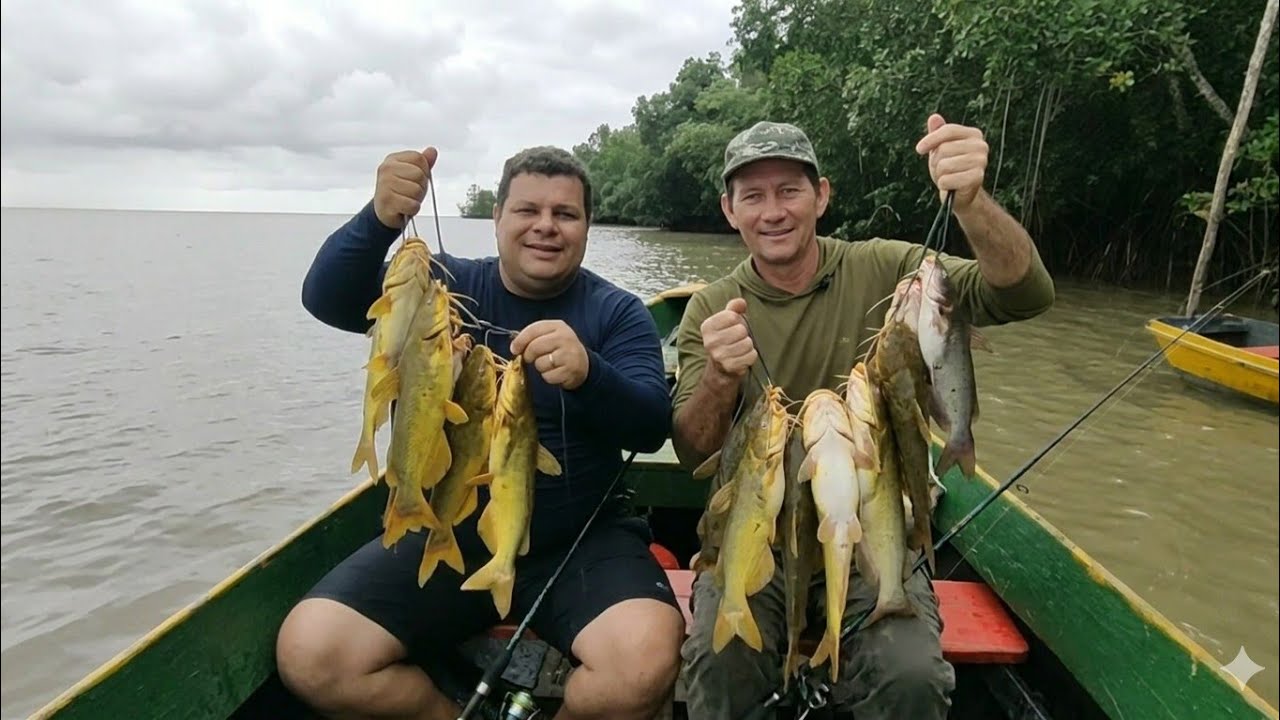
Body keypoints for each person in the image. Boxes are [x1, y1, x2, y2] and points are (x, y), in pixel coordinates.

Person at [277, 144, 686, 720]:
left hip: (579, 541)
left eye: (565, 214)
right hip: (446, 529)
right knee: (311, 653)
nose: (546, 226)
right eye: (527, 211)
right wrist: (378, 220)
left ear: (586, 227)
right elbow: (328, 299)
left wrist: (591, 375)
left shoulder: (617, 313)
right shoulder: (439, 289)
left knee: (644, 665)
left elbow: (649, 426)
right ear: (496, 219)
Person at [671, 117, 1056, 719]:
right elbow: (695, 452)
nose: (773, 211)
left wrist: (973, 204)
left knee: (912, 677)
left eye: (789, 190)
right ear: (729, 210)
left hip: (878, 515)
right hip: (759, 533)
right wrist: (721, 377)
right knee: (721, 666)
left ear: (821, 195)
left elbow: (1024, 293)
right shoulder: (711, 308)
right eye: (753, 195)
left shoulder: (889, 268)